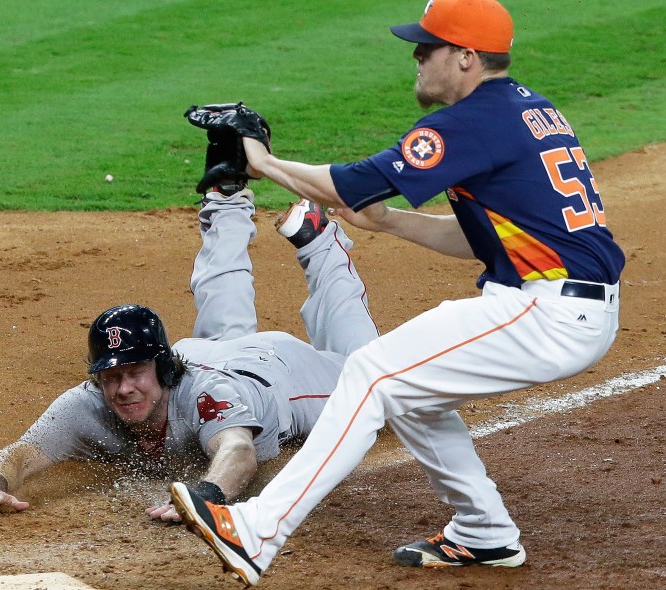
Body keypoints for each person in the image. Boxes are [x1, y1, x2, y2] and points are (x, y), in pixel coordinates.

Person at [168, 0, 625, 585]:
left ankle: (257, 530)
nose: (415, 55)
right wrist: (388, 222)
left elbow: (353, 182)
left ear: (464, 58)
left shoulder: (470, 121)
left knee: (372, 373)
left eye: (427, 47)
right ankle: (484, 533)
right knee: (411, 390)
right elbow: (486, 241)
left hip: (547, 311)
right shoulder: (525, 109)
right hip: (566, 303)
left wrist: (261, 159)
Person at [0, 177, 379, 522]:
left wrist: (204, 495)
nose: (122, 389)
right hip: (207, 352)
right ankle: (226, 201)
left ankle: (318, 242)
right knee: (219, 327)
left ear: (161, 366)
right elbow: (22, 452)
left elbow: (238, 452)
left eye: (134, 372)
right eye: (111, 375)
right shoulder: (88, 403)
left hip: (277, 373)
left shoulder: (208, 396)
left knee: (373, 378)